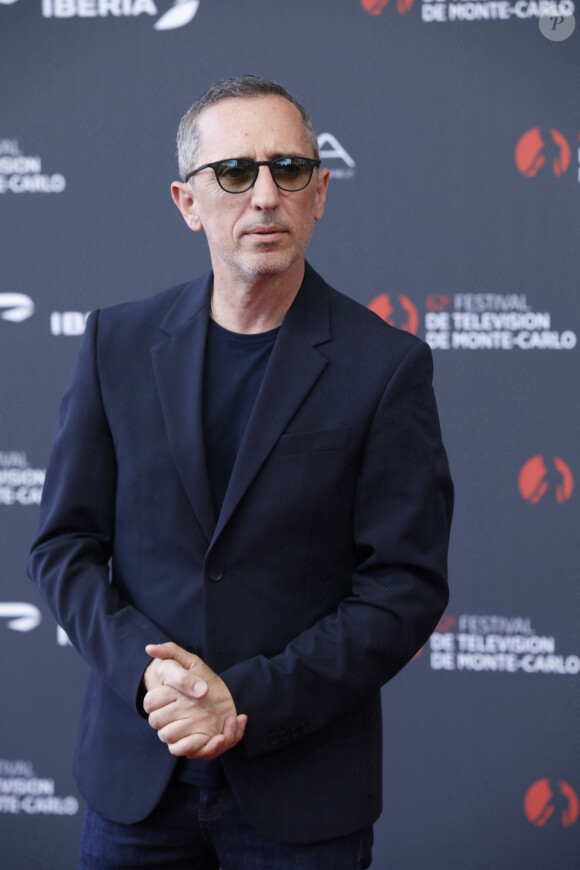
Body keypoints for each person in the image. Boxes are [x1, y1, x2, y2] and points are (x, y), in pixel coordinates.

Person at [28, 74, 453, 870]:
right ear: (188, 202)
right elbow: (63, 548)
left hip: (303, 795)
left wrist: (245, 700)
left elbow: (404, 586)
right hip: (136, 784)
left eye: (288, 170)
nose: (265, 195)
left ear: (319, 192)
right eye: (234, 172)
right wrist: (151, 682)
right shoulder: (113, 345)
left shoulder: (386, 367)